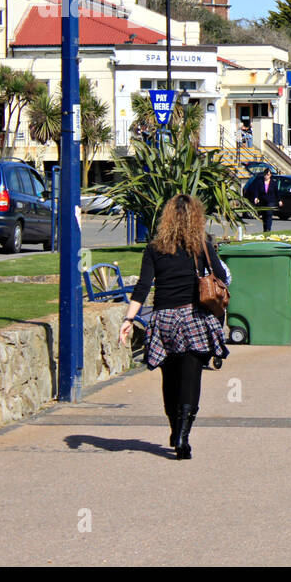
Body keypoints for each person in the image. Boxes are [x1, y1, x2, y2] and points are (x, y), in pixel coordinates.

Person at [119, 194, 229, 460]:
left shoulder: (154, 248)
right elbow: (221, 277)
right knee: (191, 379)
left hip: (164, 321)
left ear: (166, 218)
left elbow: (142, 287)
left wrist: (128, 320)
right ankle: (183, 436)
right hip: (193, 319)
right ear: (197, 218)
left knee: (169, 379)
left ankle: (173, 427)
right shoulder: (202, 247)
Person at [245, 167, 280, 232]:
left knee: (269, 214)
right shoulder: (260, 182)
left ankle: (268, 228)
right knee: (264, 215)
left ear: (270, 175)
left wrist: (279, 200)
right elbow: (257, 191)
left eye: (268, 174)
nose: (266, 176)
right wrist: (256, 197)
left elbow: (276, 192)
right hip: (263, 200)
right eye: (265, 174)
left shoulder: (274, 183)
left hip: (271, 201)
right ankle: (265, 228)